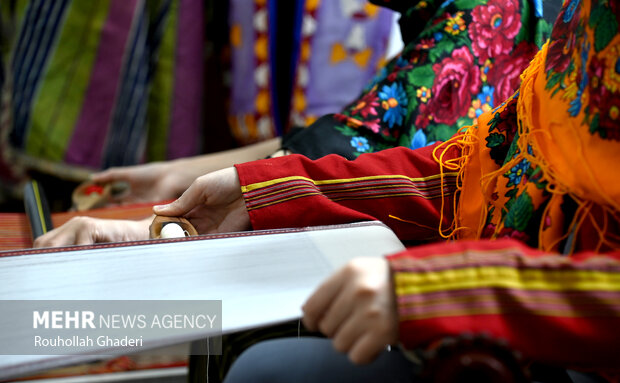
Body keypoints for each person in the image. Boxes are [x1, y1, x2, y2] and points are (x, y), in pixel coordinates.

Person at [149, 0, 618, 383]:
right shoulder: (589, 20)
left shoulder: (489, 13)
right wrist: (260, 188)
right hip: (537, 339)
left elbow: (353, 136)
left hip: (580, 365)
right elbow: (479, 169)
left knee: (271, 371)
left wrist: (440, 291)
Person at [85, 0, 560, 206]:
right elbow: (364, 122)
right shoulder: (443, 12)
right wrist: (178, 174)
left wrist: (206, 184)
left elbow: (360, 150)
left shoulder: (489, 11)